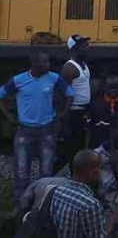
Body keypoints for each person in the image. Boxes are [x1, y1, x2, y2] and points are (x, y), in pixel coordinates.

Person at [0, 51, 73, 206]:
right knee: (21, 171)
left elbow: (69, 93)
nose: (48, 65)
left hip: (46, 130)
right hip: (24, 131)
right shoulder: (18, 80)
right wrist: (8, 116)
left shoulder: (54, 78)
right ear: (35, 64)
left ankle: (42, 204)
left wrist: (63, 113)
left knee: (46, 172)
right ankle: (21, 205)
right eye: (45, 62)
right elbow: (1, 95)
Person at [50, 149, 118, 237]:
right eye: (98, 167)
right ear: (91, 171)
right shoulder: (90, 204)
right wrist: (117, 209)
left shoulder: (58, 191)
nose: (100, 171)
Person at [62, 35, 93, 167]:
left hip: (83, 110)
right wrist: (65, 116)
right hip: (74, 112)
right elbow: (64, 93)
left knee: (81, 145)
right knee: (74, 146)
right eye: (83, 46)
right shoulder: (70, 68)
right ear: (74, 49)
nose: (87, 49)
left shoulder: (83, 65)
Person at [88, 74, 118, 148]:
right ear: (105, 87)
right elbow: (90, 126)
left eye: (115, 87)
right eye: (110, 87)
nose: (113, 90)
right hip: (100, 141)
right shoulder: (96, 103)